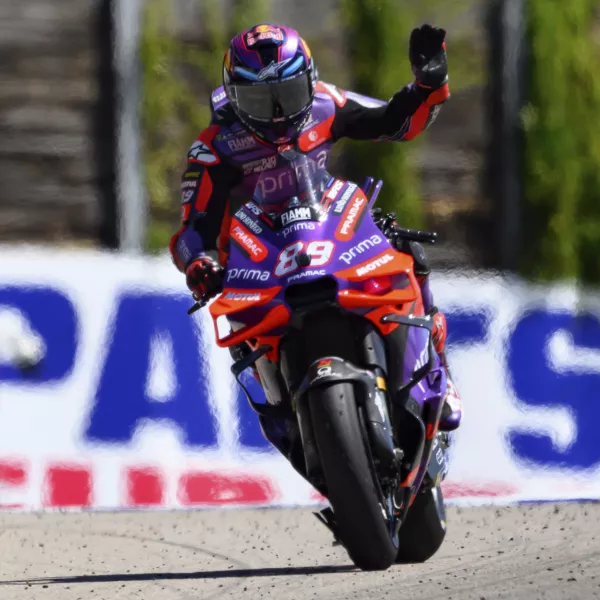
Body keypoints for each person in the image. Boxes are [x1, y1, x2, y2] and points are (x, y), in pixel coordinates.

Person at [169, 22, 462, 431]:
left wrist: (429, 86)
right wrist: (199, 264)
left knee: (407, 251)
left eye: (286, 95)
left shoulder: (327, 103)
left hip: (329, 231)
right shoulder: (215, 145)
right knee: (240, 342)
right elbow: (191, 229)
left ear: (309, 81)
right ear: (234, 98)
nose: (276, 114)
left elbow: (397, 122)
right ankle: (284, 415)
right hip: (259, 263)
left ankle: (437, 372)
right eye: (259, 99)